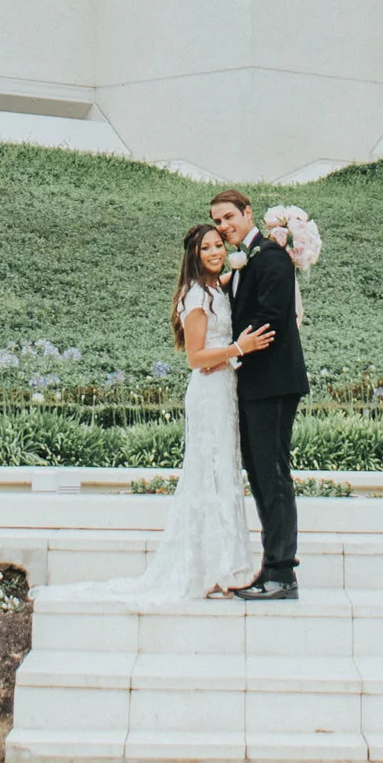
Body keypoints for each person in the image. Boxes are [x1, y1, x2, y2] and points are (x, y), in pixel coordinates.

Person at [129, 220, 272, 606]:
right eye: (206, 248)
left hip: (224, 388)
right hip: (209, 393)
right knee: (208, 472)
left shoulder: (214, 288)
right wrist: (238, 348)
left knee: (223, 472)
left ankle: (224, 565)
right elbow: (195, 358)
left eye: (218, 246)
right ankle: (207, 568)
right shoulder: (196, 296)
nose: (215, 252)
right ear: (193, 255)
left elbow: (232, 278)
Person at [211, 186, 308, 602]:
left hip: (274, 384)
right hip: (255, 385)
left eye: (229, 217)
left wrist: (230, 352)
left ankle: (282, 573)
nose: (223, 226)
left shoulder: (270, 258)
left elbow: (270, 322)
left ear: (248, 213)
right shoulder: (244, 262)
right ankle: (270, 568)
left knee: (273, 475)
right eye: (217, 221)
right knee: (260, 474)